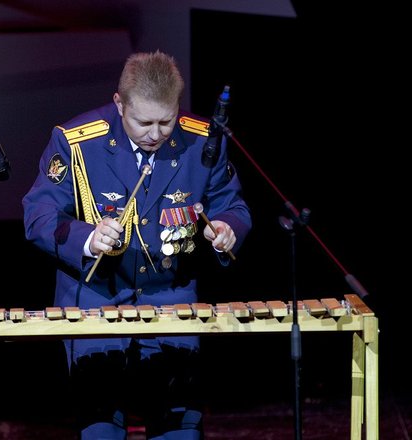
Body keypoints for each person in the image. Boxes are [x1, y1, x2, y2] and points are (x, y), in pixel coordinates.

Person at [22, 50, 252, 439]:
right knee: (100, 430)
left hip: (172, 302)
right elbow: (38, 215)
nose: (156, 134)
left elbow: (234, 207)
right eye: (143, 122)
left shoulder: (202, 140)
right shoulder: (77, 142)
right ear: (119, 104)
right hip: (95, 302)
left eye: (166, 121)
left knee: (179, 431)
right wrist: (88, 238)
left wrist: (226, 229)